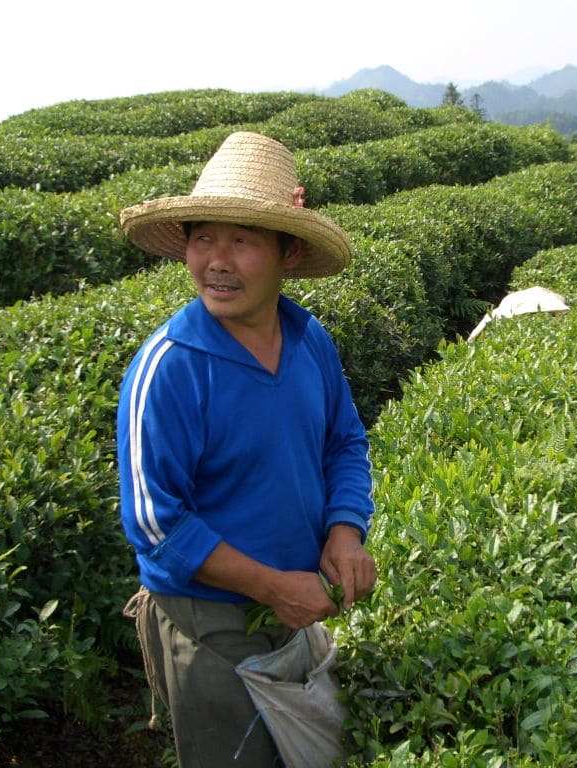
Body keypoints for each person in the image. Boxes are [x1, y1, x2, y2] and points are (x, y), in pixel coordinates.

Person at [115, 131, 377, 768]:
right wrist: (271, 587)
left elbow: (344, 440)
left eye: (242, 240)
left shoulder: (308, 338)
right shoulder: (171, 367)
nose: (217, 261)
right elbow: (157, 525)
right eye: (203, 237)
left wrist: (346, 531)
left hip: (292, 604)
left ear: (287, 251)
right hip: (213, 626)